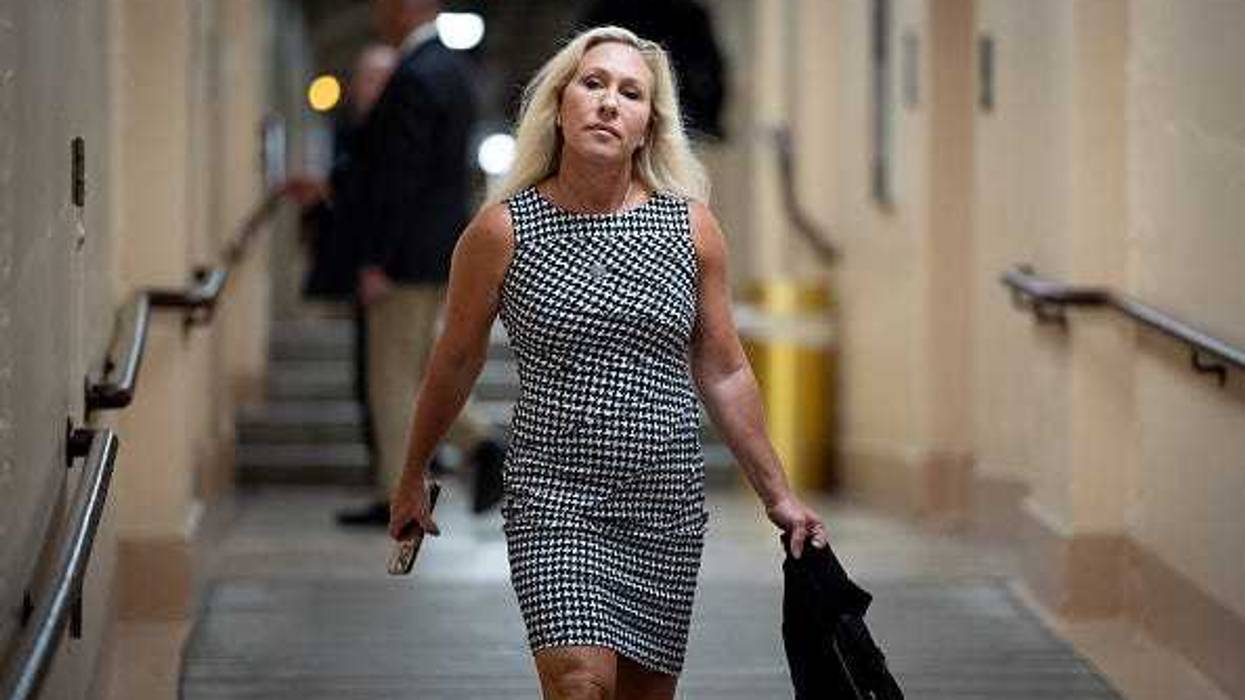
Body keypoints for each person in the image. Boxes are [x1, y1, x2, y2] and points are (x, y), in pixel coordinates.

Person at [386, 25, 829, 700]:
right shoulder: (501, 231)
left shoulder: (690, 229)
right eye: (592, 84)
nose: (608, 103)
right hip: (553, 496)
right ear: (560, 105)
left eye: (630, 93)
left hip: (664, 501)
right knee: (580, 684)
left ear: (648, 125)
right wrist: (413, 471)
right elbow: (454, 361)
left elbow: (725, 369)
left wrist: (778, 495)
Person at [338, 0, 505, 527]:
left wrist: (377, 258)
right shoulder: (453, 69)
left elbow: (400, 178)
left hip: (404, 258)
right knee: (418, 371)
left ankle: (401, 494)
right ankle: (478, 446)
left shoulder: (416, 73)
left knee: (391, 379)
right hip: (437, 249)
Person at [284, 44, 398, 496]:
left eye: (381, 80)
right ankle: (387, 477)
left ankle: (474, 446)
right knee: (371, 379)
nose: (371, 89)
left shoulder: (394, 130)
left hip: (391, 272)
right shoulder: (357, 130)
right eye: (366, 79)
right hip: (365, 269)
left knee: (394, 379)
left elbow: (390, 200)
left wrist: (380, 263)